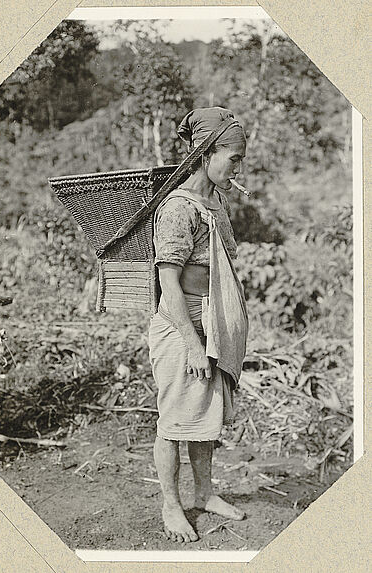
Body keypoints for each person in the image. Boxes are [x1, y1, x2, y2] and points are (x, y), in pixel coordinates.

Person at [148, 107, 249, 543]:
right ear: (207, 152)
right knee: (174, 419)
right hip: (180, 324)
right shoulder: (178, 209)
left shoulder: (216, 202)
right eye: (233, 157)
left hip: (211, 320)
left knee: (205, 415)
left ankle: (205, 491)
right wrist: (192, 344)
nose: (237, 167)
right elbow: (168, 283)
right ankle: (172, 506)